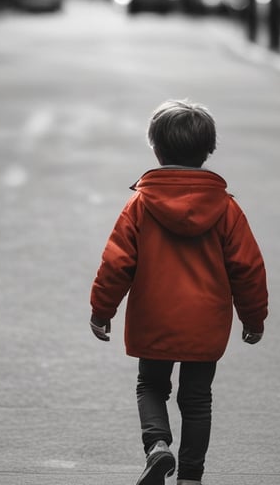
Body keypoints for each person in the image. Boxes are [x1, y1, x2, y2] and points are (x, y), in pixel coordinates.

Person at [89, 100, 269, 485]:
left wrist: (101, 309)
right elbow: (248, 268)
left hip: (154, 318)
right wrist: (253, 319)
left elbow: (117, 262)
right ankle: (190, 477)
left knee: (151, 385)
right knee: (197, 399)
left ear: (156, 148)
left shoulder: (140, 204)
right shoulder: (226, 209)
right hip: (206, 322)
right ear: (208, 151)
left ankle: (157, 446)